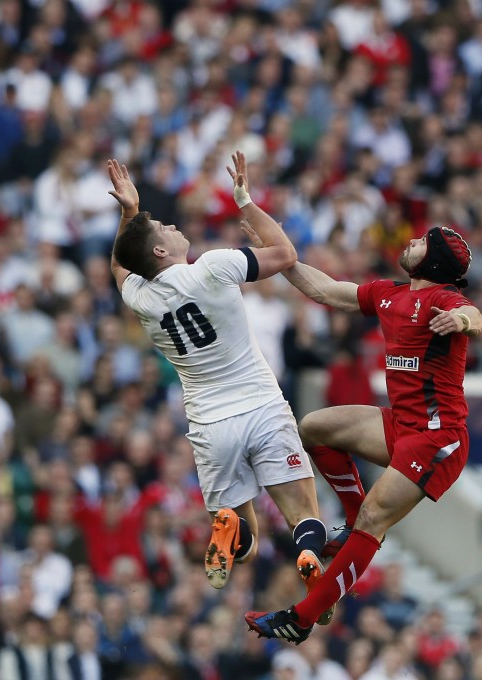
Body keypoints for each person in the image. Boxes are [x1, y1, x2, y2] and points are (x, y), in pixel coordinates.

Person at [107, 153, 330, 609]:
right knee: (303, 512)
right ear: (160, 251)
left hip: (210, 424)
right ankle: (307, 552)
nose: (173, 227)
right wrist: (246, 203)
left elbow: (118, 267)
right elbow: (286, 255)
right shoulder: (212, 266)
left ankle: (231, 528)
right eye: (165, 229)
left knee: (241, 540)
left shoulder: (142, 300)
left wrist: (130, 213)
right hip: (262, 404)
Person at [244, 223, 482, 642]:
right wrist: (280, 259)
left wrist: (460, 320)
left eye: (420, 242)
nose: (409, 241)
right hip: (402, 423)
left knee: (376, 519)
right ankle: (352, 517)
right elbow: (326, 291)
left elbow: (476, 318)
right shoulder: (389, 293)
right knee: (314, 427)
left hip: (437, 437)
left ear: (433, 260)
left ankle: (301, 619)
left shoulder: (444, 301)